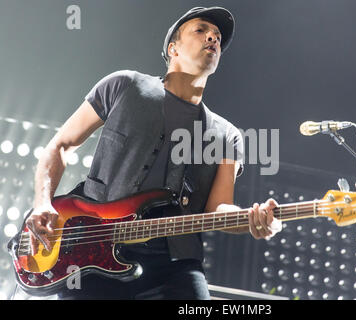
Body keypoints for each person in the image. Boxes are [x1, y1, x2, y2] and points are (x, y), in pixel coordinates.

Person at [25, 6, 282, 300]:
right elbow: (59, 146)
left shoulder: (228, 135)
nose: (212, 38)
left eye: (217, 37)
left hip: (174, 265)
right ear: (173, 48)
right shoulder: (124, 85)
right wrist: (42, 202)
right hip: (92, 253)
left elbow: (218, 208)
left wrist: (254, 219)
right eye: (201, 30)